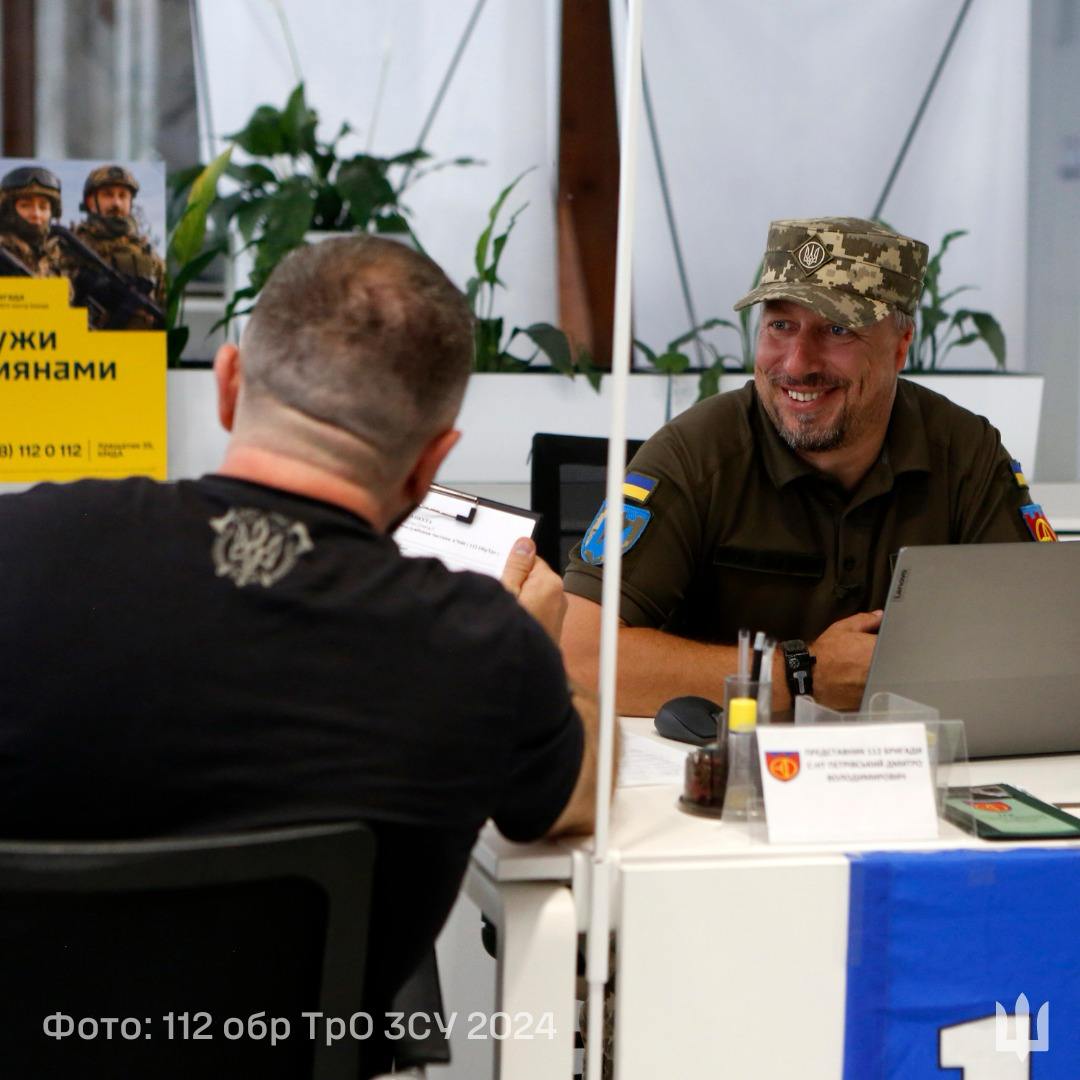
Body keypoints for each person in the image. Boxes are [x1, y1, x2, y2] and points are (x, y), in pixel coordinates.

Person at [0, 235, 599, 1074]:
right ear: (432, 460)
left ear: (229, 382)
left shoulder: (19, 550)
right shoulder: (479, 647)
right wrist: (538, 653)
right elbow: (579, 800)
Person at [562, 217, 1040, 717]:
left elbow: (1045, 637)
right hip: (731, 758)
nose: (796, 364)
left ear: (900, 347)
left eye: (837, 330)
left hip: (920, 754)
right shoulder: (696, 454)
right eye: (780, 326)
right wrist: (798, 675)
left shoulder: (964, 453)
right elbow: (578, 655)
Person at [69, 163, 165, 327]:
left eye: (123, 196)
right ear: (90, 202)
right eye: (108, 195)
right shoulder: (69, 248)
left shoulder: (149, 255)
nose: (117, 203)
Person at [0, 165, 67, 276]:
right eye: (25, 205)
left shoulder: (64, 256)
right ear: (8, 210)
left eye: (43, 207)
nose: (36, 214)